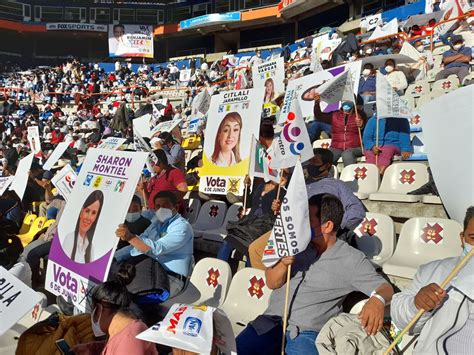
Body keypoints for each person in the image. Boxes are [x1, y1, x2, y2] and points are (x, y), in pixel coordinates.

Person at [236, 194, 393, 355]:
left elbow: (385, 288)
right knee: (233, 351)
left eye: (307, 220)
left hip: (307, 333)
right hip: (271, 322)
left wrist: (377, 300)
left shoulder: (350, 259)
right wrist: (283, 264)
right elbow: (271, 283)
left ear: (328, 226)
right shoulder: (295, 243)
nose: (301, 224)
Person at [249, 149, 366, 269]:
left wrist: (332, 226)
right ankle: (272, 284)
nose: (310, 165)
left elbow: (357, 211)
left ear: (327, 165)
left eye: (314, 161)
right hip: (290, 229)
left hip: (316, 235)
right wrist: (280, 208)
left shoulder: (337, 185)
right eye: (309, 161)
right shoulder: (300, 184)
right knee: (255, 249)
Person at [391, 206, 474, 354]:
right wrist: (416, 304)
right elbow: (403, 322)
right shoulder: (432, 271)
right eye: (473, 238)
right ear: (462, 238)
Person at [115, 191, 194, 297]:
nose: (161, 209)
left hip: (170, 279)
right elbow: (136, 246)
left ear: (175, 207)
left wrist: (130, 237)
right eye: (157, 206)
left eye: (165, 205)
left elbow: (157, 249)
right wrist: (115, 256)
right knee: (113, 282)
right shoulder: (156, 223)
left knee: (124, 296)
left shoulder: (182, 227)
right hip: (150, 272)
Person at [71, 269, 158, 355]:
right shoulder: (126, 330)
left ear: (99, 309)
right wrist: (90, 349)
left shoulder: (130, 340)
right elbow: (112, 346)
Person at [61, 190, 104, 263]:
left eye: (94, 213)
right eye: (87, 211)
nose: (88, 217)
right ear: (81, 212)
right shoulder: (69, 239)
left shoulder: (91, 248)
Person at [326, 100, 365, 166]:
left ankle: (350, 175)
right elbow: (319, 115)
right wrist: (317, 103)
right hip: (336, 147)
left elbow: (367, 132)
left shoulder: (360, 114)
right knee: (326, 156)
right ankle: (325, 175)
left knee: (347, 154)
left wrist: (362, 126)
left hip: (356, 147)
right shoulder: (334, 115)